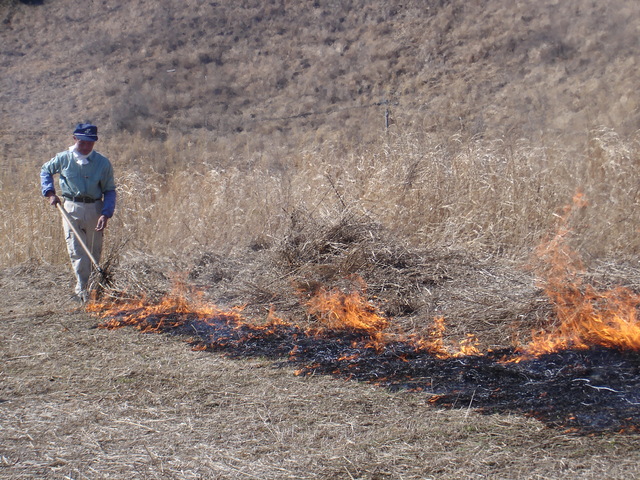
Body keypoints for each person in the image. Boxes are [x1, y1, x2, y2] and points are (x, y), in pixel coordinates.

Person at [40, 123, 117, 303]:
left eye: (90, 143)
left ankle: (93, 289)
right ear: (75, 139)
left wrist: (106, 214)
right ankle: (83, 292)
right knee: (76, 250)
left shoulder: (103, 163)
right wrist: (50, 193)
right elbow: (45, 171)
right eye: (82, 142)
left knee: (93, 251)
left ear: (94, 143)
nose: (85, 147)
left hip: (95, 209)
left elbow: (110, 190)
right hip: (71, 208)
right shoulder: (63, 158)